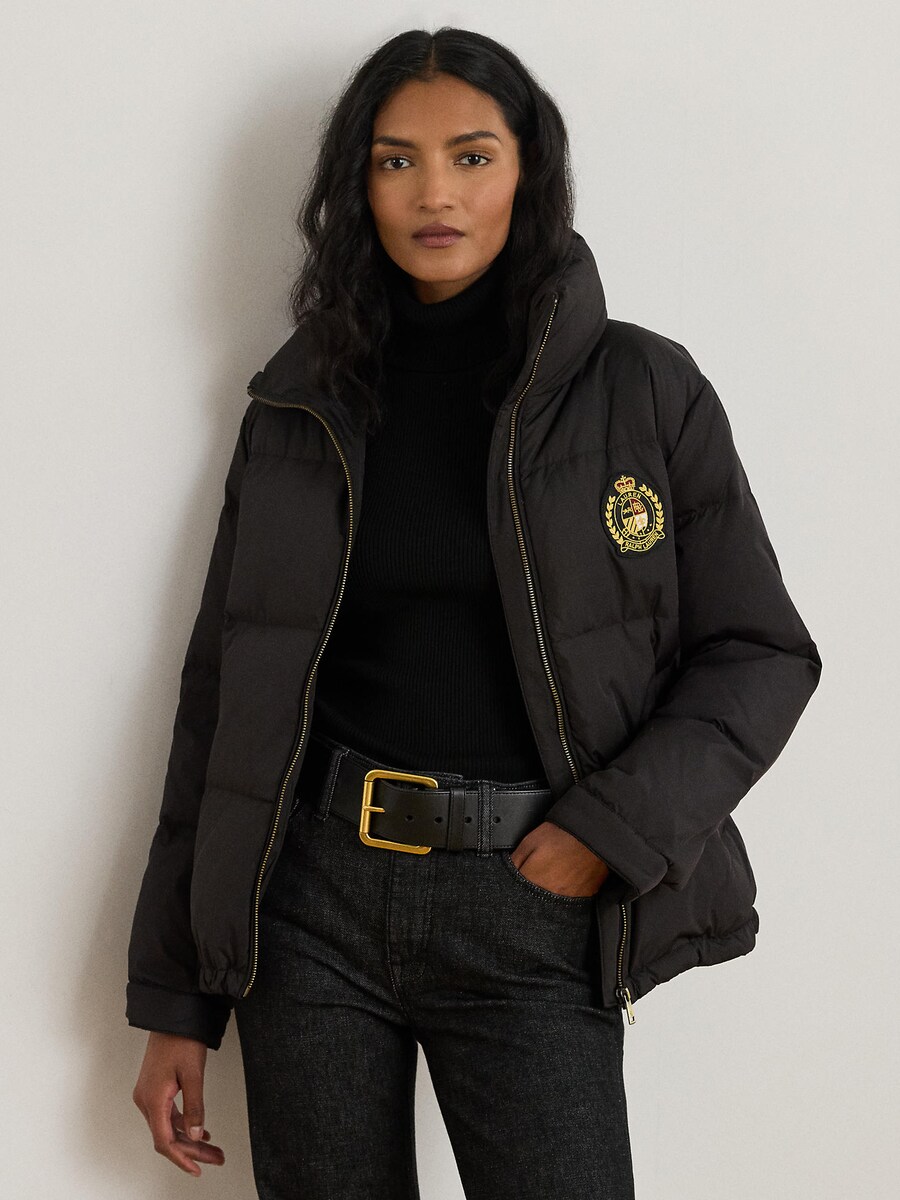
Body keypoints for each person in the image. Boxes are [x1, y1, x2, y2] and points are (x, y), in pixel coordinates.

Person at [127, 27, 822, 1200]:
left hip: (532, 902)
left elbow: (761, 652)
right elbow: (224, 701)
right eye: (396, 160)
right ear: (358, 186)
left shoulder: (643, 390)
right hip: (311, 906)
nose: (434, 194)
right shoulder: (301, 404)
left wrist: (611, 829)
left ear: (528, 171)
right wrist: (178, 997)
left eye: (472, 155)